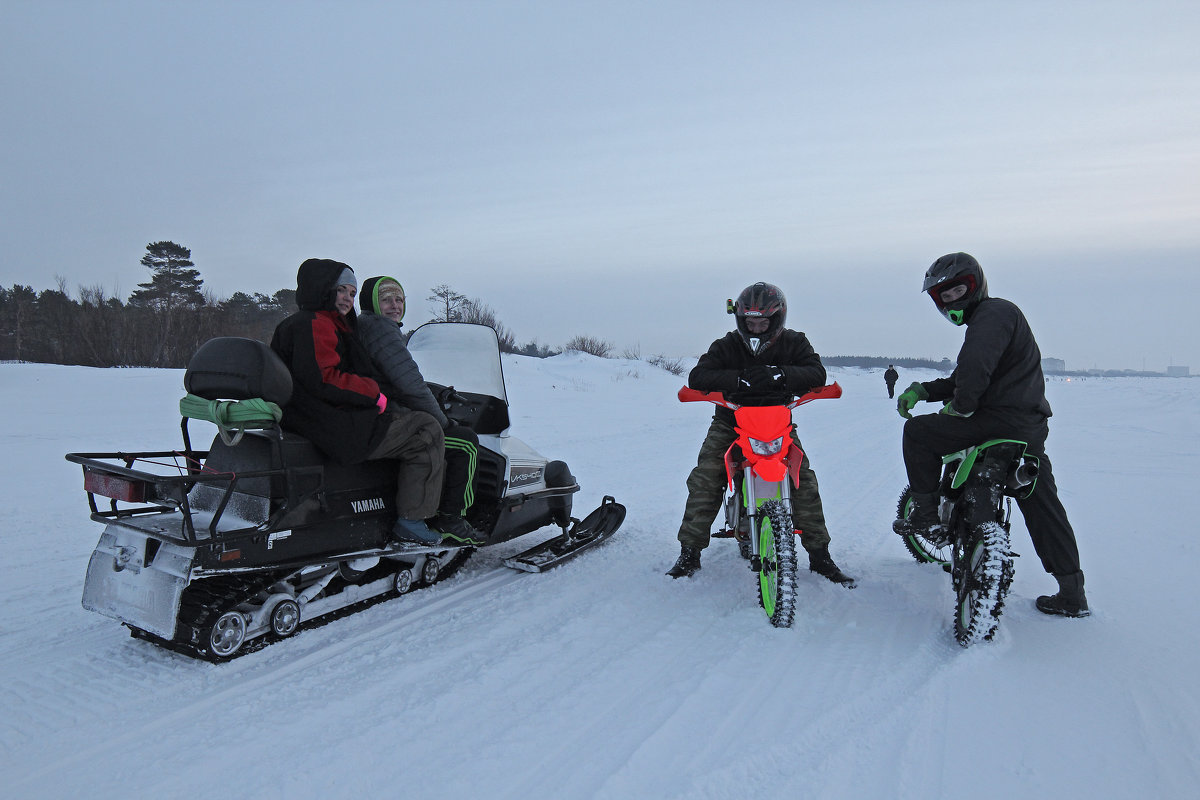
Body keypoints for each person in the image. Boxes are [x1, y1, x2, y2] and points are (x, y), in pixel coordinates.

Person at [893, 252, 1088, 617]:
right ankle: (1072, 592)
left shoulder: (991, 314)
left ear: (975, 283)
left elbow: (974, 372)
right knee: (1043, 505)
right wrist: (924, 389)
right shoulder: (999, 316)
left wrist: (961, 406)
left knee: (918, 432)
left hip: (994, 423)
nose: (951, 301)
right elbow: (967, 375)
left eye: (956, 291)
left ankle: (923, 513)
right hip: (1028, 431)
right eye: (943, 296)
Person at [668, 282, 854, 586]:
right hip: (730, 421)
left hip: (777, 423)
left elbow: (817, 373)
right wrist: (739, 379)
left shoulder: (795, 342)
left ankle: (821, 557)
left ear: (777, 319)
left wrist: (780, 373)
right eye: (750, 322)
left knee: (803, 481)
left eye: (763, 322)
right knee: (706, 476)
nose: (756, 328)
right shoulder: (727, 345)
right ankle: (689, 554)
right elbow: (697, 376)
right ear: (741, 320)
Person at [269, 258, 447, 546]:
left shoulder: (302, 323)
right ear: (322, 289)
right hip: (332, 424)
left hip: (310, 418)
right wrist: (374, 393)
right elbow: (325, 378)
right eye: (341, 290)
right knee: (426, 431)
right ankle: (413, 520)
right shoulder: (317, 324)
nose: (347, 299)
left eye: (352, 293)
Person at [357, 275, 484, 545]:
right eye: (386, 300)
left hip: (376, 412)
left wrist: (436, 391)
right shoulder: (381, 329)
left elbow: (395, 377)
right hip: (384, 417)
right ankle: (451, 517)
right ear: (373, 303)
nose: (394, 305)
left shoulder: (367, 327)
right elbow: (410, 384)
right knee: (465, 442)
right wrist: (443, 422)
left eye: (399, 299)